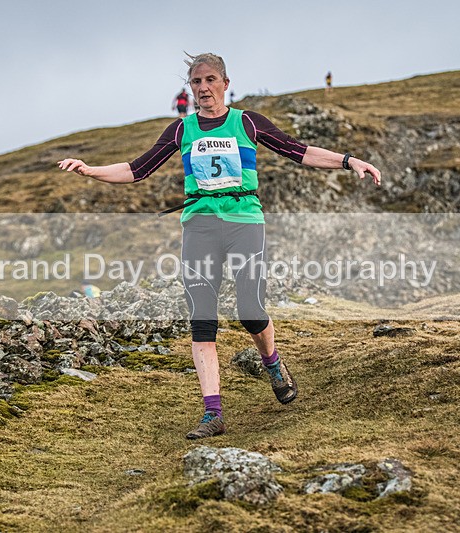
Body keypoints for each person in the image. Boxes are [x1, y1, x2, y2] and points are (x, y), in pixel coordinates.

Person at [58, 52, 381, 440]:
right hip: (200, 226)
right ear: (190, 89)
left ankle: (273, 363)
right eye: (196, 82)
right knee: (202, 319)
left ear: (226, 84)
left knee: (250, 311)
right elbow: (136, 169)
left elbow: (300, 151)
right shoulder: (182, 131)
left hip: (244, 222)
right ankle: (213, 413)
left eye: (210, 80)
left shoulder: (247, 122)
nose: (203, 88)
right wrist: (91, 170)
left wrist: (349, 161)